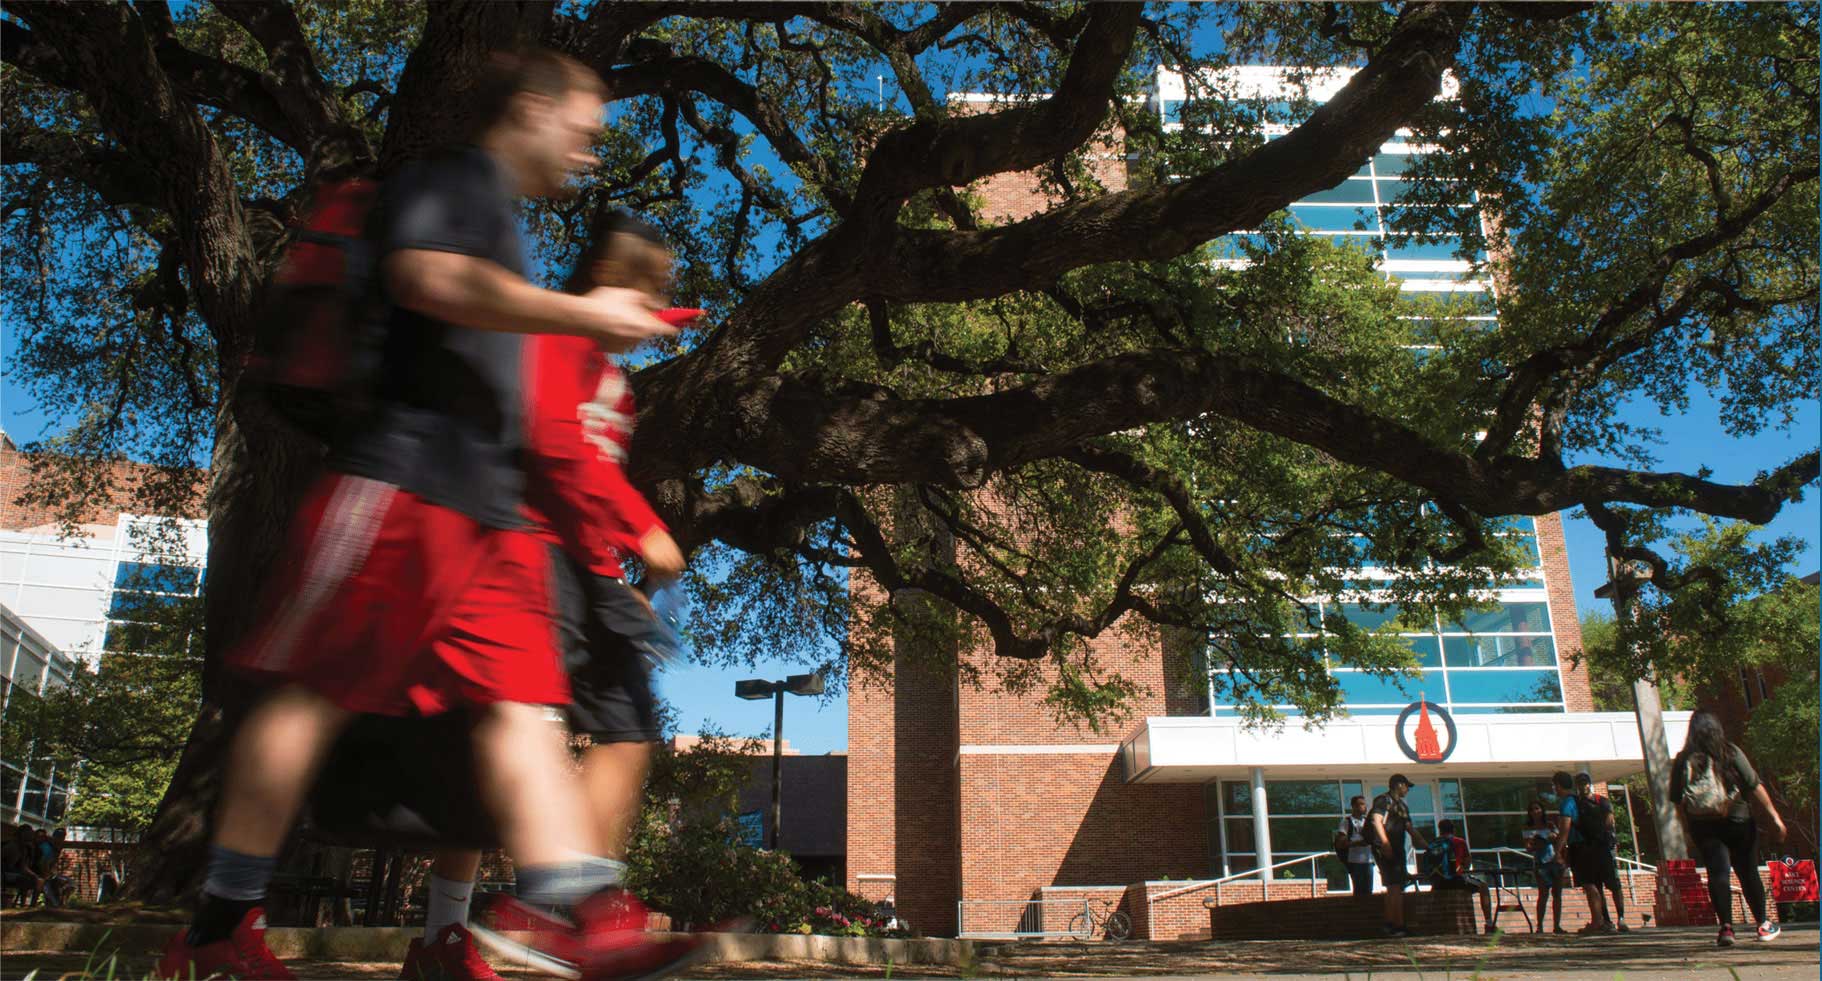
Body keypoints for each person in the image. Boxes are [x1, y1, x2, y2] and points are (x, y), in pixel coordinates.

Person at [154, 48, 685, 981]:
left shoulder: (505, 219)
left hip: (490, 523)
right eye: (585, 132)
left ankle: (579, 907)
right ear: (531, 107)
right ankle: (218, 927)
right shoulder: (453, 181)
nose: (592, 155)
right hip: (399, 489)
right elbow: (426, 280)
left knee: (526, 712)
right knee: (309, 693)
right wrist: (577, 314)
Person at [401, 211, 690, 981]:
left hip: (590, 571)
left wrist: (621, 555)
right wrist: (643, 527)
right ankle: (492, 922)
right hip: (526, 551)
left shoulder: (619, 387)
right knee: (506, 733)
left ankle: (575, 904)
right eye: (652, 292)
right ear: (613, 285)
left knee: (628, 727)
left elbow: (600, 474)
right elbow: (554, 448)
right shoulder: (550, 339)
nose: (659, 311)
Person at [1670, 709, 1786, 948]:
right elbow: (1754, 784)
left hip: (1703, 826)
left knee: (1718, 873)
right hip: (1738, 821)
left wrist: (1685, 830)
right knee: (1748, 872)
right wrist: (1774, 816)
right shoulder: (1730, 752)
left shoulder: (1683, 760)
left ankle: (1726, 929)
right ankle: (1763, 924)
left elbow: (1676, 800)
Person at [1368, 774, 1428, 937]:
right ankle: (1398, 926)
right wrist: (1385, 843)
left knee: (1393, 886)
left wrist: (1426, 845)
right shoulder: (1383, 800)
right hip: (1386, 848)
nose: (1408, 789)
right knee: (1395, 887)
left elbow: (1409, 828)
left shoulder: (1402, 806)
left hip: (1398, 849)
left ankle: (1389, 924)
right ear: (1398, 785)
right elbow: (1376, 820)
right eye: (1406, 786)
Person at [1573, 772, 1628, 932]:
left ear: (1589, 784)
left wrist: (1605, 837)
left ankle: (1621, 919)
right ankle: (1606, 920)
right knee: (1596, 887)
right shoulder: (1577, 805)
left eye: (1585, 783)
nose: (1582, 787)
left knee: (1614, 885)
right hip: (1588, 849)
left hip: (1604, 848)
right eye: (1579, 784)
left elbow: (1610, 821)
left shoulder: (1601, 801)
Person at [1424, 819, 1496, 933]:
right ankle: (1489, 924)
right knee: (1483, 887)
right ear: (1453, 829)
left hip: (1438, 882)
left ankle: (1430, 927)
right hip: (1457, 880)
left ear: (1440, 830)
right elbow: (1467, 863)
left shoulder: (1433, 843)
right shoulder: (1460, 842)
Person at [1522, 800, 1565, 933]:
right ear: (1529, 813)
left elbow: (1560, 838)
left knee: (1557, 894)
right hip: (1541, 863)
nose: (1536, 812)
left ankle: (1556, 925)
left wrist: (1552, 838)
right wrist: (1537, 842)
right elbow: (1528, 847)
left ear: (1542, 810)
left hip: (1555, 861)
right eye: (1533, 809)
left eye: (1538, 808)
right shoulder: (1528, 828)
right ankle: (1539, 926)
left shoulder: (1550, 825)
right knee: (1543, 894)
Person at [1337, 795, 1375, 899]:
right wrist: (1358, 843)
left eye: (1364, 804)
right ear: (1354, 806)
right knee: (1359, 890)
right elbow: (1341, 843)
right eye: (1361, 804)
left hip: (1368, 860)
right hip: (1354, 861)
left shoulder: (1367, 821)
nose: (1364, 807)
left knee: (1369, 890)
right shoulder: (1347, 822)